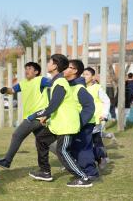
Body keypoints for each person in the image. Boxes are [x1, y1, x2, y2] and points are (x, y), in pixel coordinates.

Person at [28, 54, 92, 187]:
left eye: (50, 62)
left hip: (66, 124)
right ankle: (45, 172)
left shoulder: (60, 82)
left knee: (62, 151)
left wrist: (36, 115)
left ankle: (83, 178)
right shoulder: (56, 81)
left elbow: (53, 105)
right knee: (41, 139)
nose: (47, 64)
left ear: (55, 66)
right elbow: (55, 105)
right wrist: (47, 116)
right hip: (58, 124)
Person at [0, 62, 50, 169]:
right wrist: (5, 90)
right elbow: (12, 90)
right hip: (31, 117)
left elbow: (54, 84)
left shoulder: (41, 80)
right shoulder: (23, 83)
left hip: (37, 116)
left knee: (17, 135)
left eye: (30, 68)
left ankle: (7, 161)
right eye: (26, 68)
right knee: (46, 142)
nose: (27, 70)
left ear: (36, 72)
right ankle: (70, 158)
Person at [64, 60, 99, 181]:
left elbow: (89, 107)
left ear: (75, 71)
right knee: (74, 147)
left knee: (83, 148)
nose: (65, 69)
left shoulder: (79, 88)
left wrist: (80, 123)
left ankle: (91, 173)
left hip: (84, 123)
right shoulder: (69, 86)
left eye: (68, 67)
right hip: (74, 123)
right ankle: (84, 168)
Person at [83, 67, 111, 169]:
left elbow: (107, 101)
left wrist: (104, 114)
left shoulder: (97, 88)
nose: (84, 76)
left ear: (93, 77)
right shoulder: (81, 87)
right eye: (83, 74)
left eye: (87, 74)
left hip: (95, 119)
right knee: (87, 141)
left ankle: (101, 158)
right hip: (83, 119)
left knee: (96, 140)